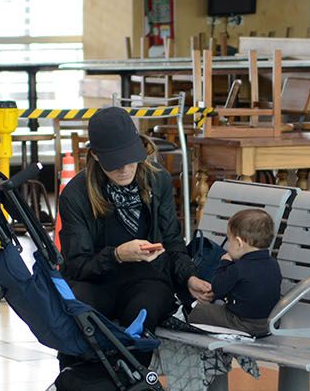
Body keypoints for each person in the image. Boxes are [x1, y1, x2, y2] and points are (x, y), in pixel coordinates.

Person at [57, 107, 211, 336]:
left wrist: (188, 277)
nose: (124, 169)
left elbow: (172, 241)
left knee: (145, 309)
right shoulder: (75, 194)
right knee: (80, 312)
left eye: (130, 159)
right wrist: (117, 255)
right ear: (96, 155)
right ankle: (85, 360)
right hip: (95, 281)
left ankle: (135, 358)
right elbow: (77, 265)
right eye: (115, 162)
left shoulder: (157, 179)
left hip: (147, 278)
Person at [187, 208, 281, 336]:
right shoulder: (273, 264)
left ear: (239, 243)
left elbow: (217, 288)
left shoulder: (238, 268)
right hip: (270, 323)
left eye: (229, 240)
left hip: (242, 323)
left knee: (200, 311)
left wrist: (224, 263)